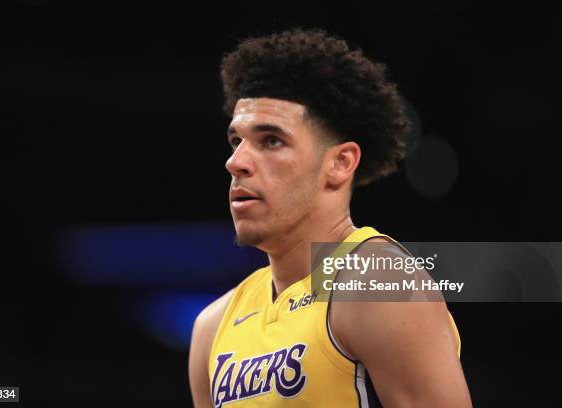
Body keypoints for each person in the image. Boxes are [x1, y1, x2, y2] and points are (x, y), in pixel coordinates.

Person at [189, 28, 472, 407]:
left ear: (340, 163)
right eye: (236, 141)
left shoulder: (375, 282)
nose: (236, 162)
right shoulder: (212, 326)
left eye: (271, 140)